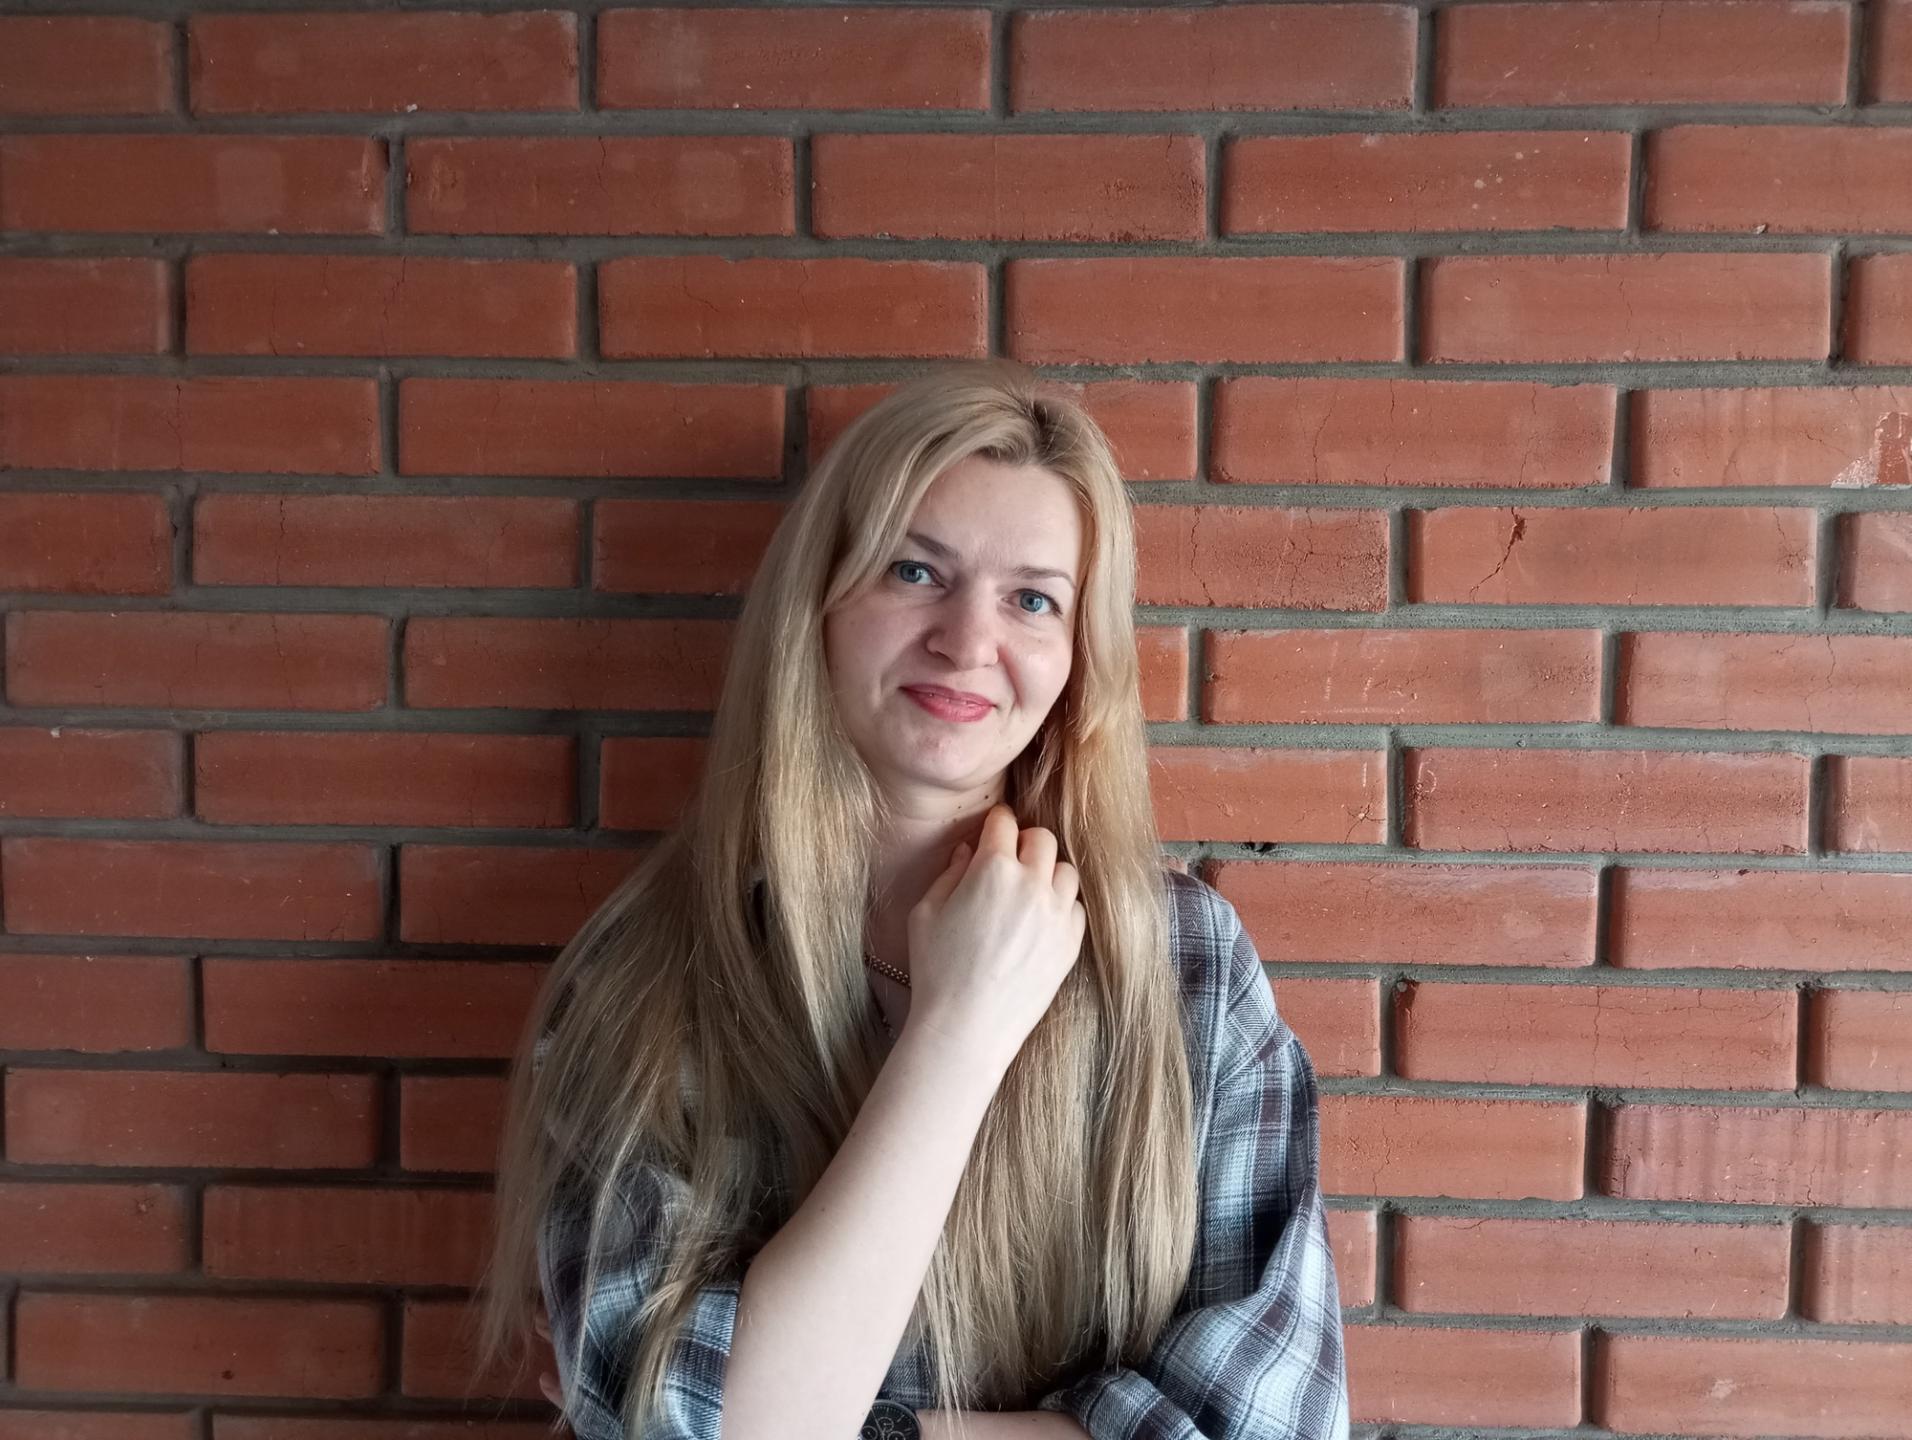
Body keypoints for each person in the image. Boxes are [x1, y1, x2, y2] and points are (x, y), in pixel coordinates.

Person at [471, 360, 1351, 1440]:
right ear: (820, 603)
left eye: (1032, 599)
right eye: (915, 571)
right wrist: (959, 1029)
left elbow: (1272, 1423)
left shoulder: (1184, 963)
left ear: (1077, 660)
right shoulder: (647, 978)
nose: (969, 641)